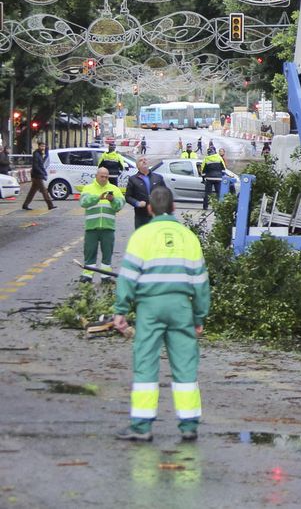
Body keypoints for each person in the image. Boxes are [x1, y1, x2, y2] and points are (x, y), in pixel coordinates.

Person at [112, 187, 209, 443]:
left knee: (146, 364)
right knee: (185, 366)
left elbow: (128, 276)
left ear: (149, 208)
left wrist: (121, 310)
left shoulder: (142, 236)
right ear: (174, 207)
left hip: (150, 308)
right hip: (181, 308)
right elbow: (200, 282)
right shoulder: (188, 237)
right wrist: (199, 317)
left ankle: (142, 426)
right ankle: (189, 425)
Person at [80, 166, 124, 281]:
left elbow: (119, 205)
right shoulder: (88, 188)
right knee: (90, 252)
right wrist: (98, 197)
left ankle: (105, 276)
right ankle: (87, 275)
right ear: (96, 176)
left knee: (107, 254)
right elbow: (83, 202)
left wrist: (113, 200)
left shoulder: (114, 189)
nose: (104, 179)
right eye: (102, 176)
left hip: (108, 227)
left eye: (106, 177)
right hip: (92, 227)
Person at [20, 142, 54, 211]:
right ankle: (50, 205)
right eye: (42, 146)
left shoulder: (40, 154)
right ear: (38, 146)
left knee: (32, 192)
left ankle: (25, 205)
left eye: (44, 146)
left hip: (37, 175)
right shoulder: (36, 154)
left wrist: (46, 152)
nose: (43, 148)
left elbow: (42, 164)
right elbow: (36, 166)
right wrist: (42, 173)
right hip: (37, 175)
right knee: (44, 191)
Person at [125, 157, 157, 229]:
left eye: (145, 159)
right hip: (141, 215)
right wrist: (137, 203)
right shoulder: (133, 179)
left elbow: (165, 193)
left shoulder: (157, 177)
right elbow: (128, 197)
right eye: (141, 160)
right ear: (137, 166)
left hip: (156, 214)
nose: (144, 161)